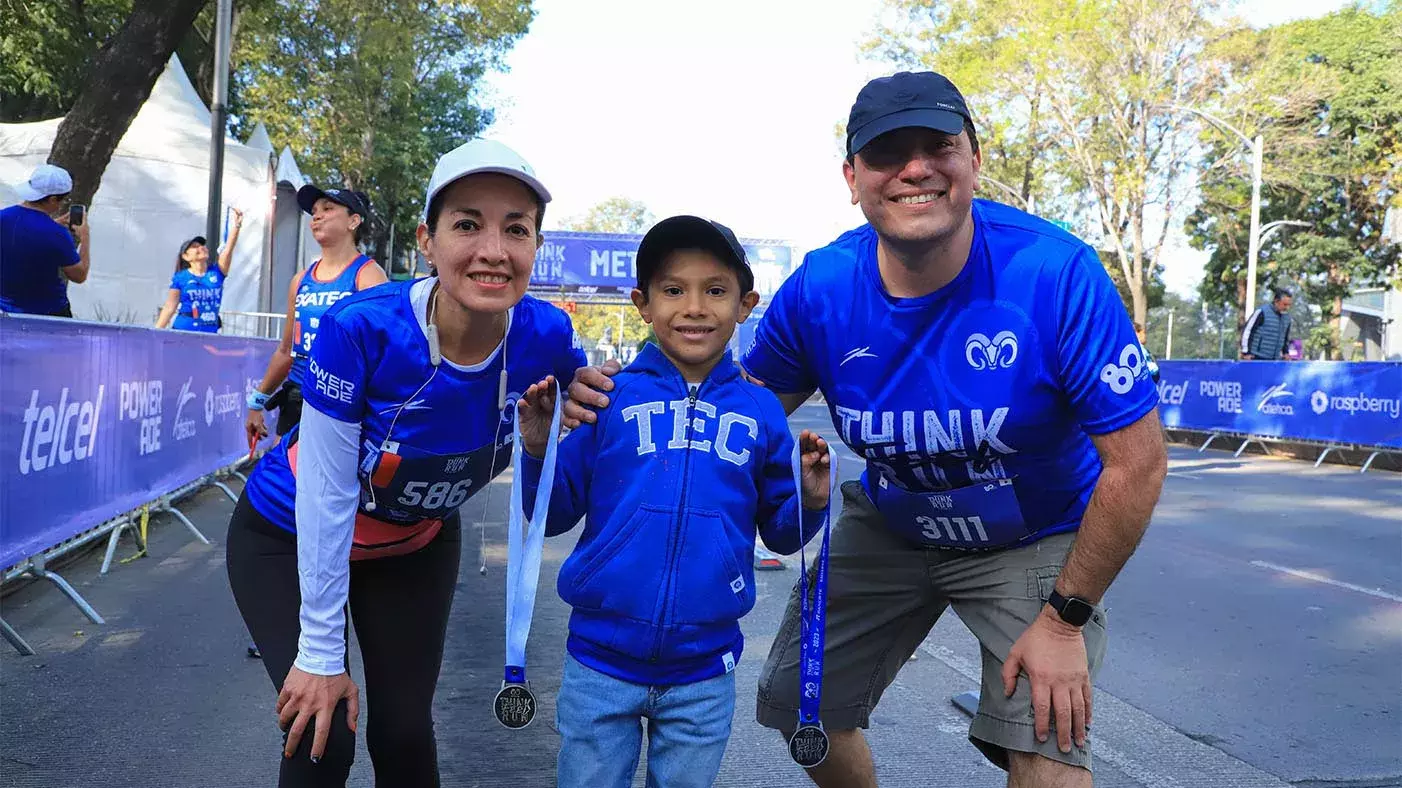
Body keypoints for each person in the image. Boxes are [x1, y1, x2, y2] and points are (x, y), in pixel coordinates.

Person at [566, 71, 1168, 788]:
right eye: (888, 153)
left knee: (1046, 736)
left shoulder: (1056, 272)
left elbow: (1138, 465)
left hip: (1030, 533)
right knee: (799, 707)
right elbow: (728, 407)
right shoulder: (823, 287)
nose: (915, 168)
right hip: (894, 520)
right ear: (853, 178)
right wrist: (611, 396)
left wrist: (1065, 619)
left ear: (974, 158)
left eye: (937, 145)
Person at [224, 138, 587, 787]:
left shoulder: (549, 338)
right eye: (467, 224)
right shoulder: (360, 328)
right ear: (427, 239)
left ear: (537, 245)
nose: (493, 251)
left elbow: (558, 492)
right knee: (322, 733)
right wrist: (319, 652)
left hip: (415, 544)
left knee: (404, 733)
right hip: (288, 533)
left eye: (517, 229)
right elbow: (329, 494)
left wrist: (546, 442)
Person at [514, 216, 832, 788]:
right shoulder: (607, 398)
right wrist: (539, 451)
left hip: (703, 674)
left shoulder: (763, 413)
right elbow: (553, 513)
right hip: (599, 662)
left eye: (715, 290)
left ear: (745, 303)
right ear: (643, 302)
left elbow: (783, 534)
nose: (694, 307)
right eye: (673, 289)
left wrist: (810, 498)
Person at [245, 186, 387, 445]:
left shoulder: (368, 276)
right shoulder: (301, 280)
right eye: (314, 211)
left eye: (328, 209)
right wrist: (257, 402)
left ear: (353, 221)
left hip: (343, 404)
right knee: (280, 481)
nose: (317, 216)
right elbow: (286, 350)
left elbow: (384, 354)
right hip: (298, 396)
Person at [0, 164, 91, 316]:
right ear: (53, 199)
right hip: (47, 312)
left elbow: (21, 237)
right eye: (63, 199)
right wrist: (85, 237)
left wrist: (51, 226)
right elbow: (79, 275)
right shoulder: (57, 234)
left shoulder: (2, 217)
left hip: (5, 308)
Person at [154, 207, 245, 331]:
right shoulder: (181, 277)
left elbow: (228, 250)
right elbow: (170, 307)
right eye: (195, 247)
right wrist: (155, 333)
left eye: (203, 245)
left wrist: (237, 225)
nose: (201, 248)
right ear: (186, 256)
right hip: (183, 332)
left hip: (209, 334)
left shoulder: (217, 273)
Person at [1240, 287, 1293, 360]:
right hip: (1256, 357)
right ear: (1276, 301)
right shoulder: (1261, 312)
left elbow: (1285, 338)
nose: (1287, 308)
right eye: (1285, 304)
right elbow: (1247, 331)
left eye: (1289, 305)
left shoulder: (1287, 318)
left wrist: (1285, 353)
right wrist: (1246, 352)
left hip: (1275, 360)